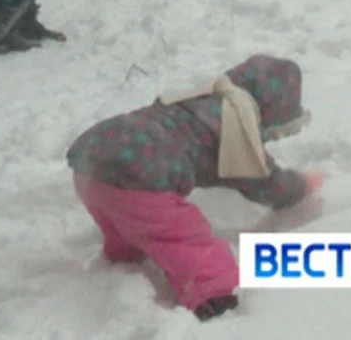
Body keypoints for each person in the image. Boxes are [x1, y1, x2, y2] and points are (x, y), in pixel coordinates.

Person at [67, 54, 319, 322]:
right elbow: (262, 180)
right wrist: (301, 187)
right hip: (139, 179)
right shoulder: (236, 123)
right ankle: (216, 298)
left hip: (91, 166)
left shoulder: (199, 101)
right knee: (184, 238)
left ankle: (124, 260)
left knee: (129, 224)